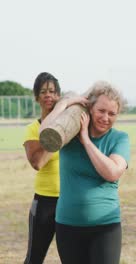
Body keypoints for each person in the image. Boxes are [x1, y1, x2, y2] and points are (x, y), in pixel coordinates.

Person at [39, 81, 130, 264]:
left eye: (112, 114)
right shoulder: (68, 134)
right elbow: (44, 134)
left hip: (105, 227)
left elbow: (112, 172)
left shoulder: (119, 139)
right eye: (101, 111)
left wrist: (86, 141)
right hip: (67, 225)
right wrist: (64, 104)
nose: (105, 117)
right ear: (90, 109)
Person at [23, 72, 62, 264]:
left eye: (53, 91)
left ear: (59, 97)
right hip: (44, 203)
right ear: (37, 97)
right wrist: (56, 133)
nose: (48, 95)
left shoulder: (69, 126)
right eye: (43, 91)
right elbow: (37, 162)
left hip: (69, 202)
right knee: (34, 259)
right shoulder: (33, 128)